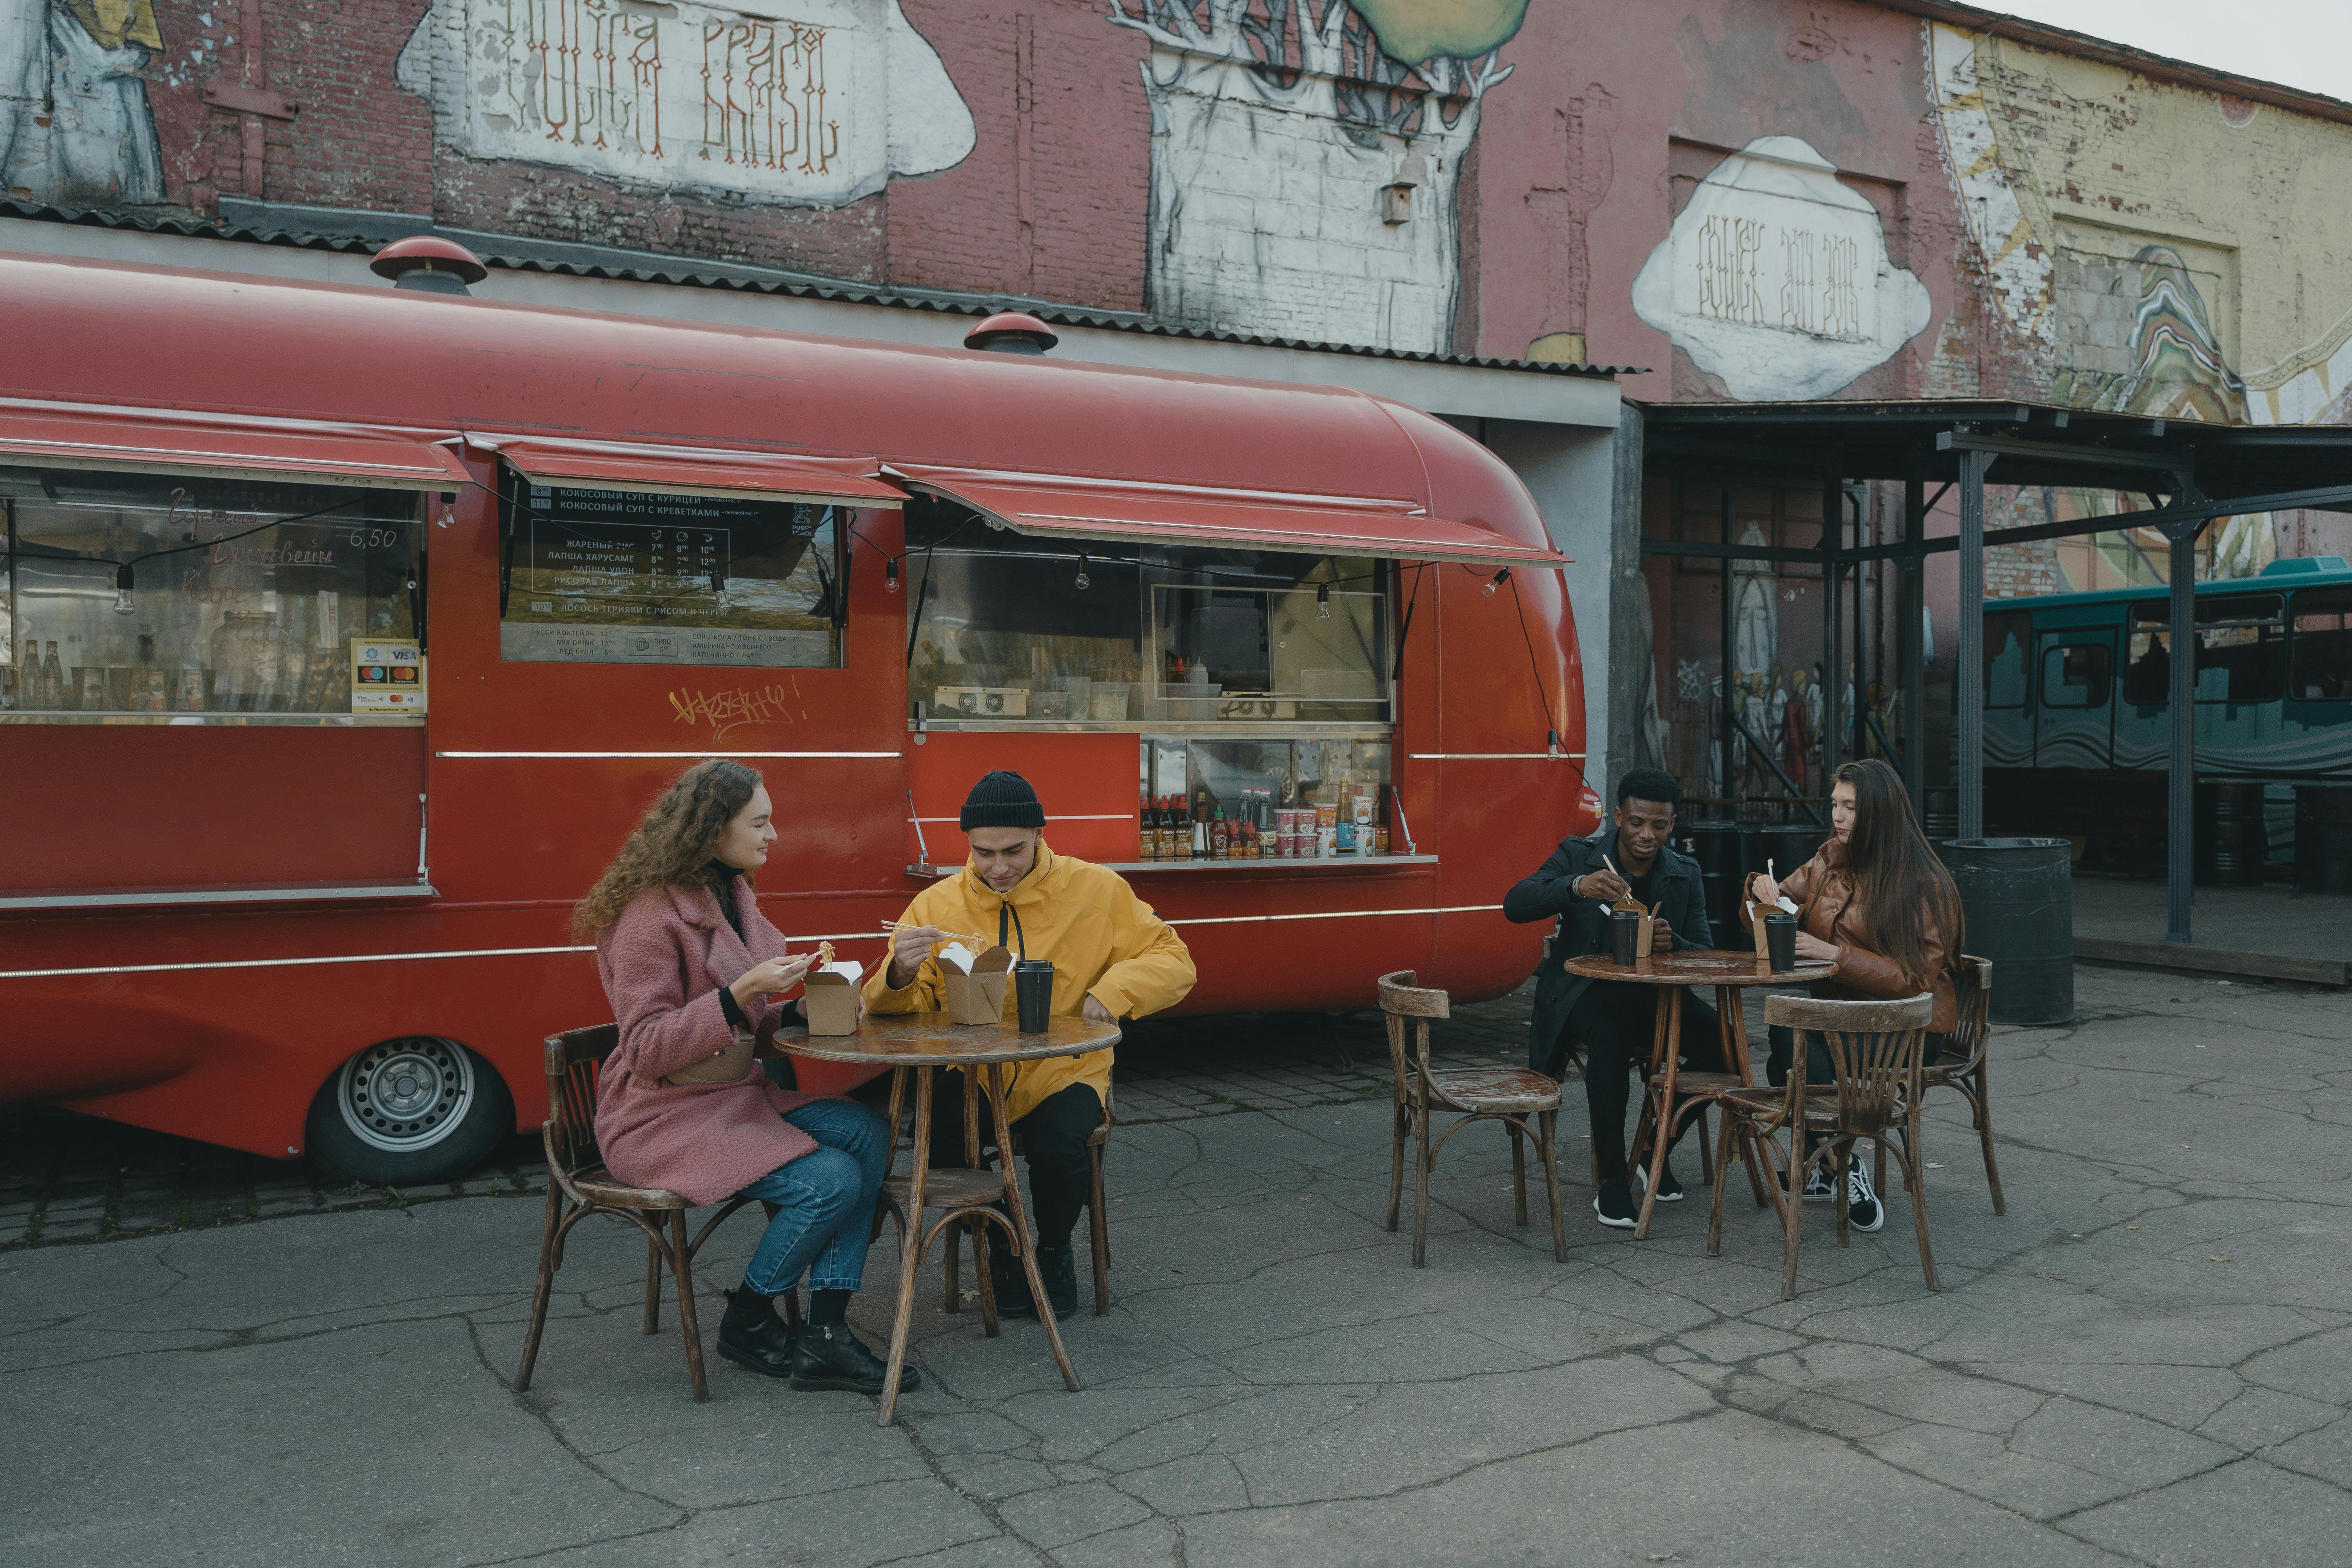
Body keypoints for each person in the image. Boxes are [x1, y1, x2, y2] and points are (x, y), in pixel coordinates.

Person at [575, 759, 912, 1396]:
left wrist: (807, 1009)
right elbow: (647, 1049)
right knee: (829, 1180)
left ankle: (824, 1336)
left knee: (866, 1131)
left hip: (728, 1099)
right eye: (759, 822)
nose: (774, 835)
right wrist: (740, 993)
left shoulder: (729, 894)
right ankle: (750, 1320)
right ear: (709, 831)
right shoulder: (650, 915)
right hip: (659, 1118)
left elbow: (748, 1022)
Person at [866, 769, 1196, 1318]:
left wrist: (1113, 991)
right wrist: (898, 975)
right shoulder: (935, 905)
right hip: (969, 1070)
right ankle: (1002, 1245)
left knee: (1060, 1145)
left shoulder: (1098, 889)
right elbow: (897, 1012)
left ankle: (1053, 1249)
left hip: (1065, 1069)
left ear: (1041, 834)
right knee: (942, 1132)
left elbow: (1174, 960)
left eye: (1013, 851)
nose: (999, 868)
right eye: (984, 853)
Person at [1504, 767, 1729, 1230]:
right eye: (1636, 823)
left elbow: (1708, 952)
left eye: (1660, 825)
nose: (1647, 835)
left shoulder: (1684, 872)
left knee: (1727, 1049)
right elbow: (1516, 902)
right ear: (1619, 817)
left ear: (1673, 823)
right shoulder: (1580, 855)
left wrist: (1677, 942)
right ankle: (1611, 1180)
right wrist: (1576, 887)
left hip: (1656, 1000)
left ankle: (1651, 1152)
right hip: (1583, 996)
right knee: (1611, 1036)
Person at [1746, 757, 1965, 1234]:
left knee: (1803, 1047)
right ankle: (1836, 1166)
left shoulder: (1923, 882)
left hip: (1906, 1025)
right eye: (1835, 805)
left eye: (1851, 807)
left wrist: (1835, 954)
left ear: (1881, 813)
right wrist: (1761, 894)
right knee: (1787, 1035)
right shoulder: (1829, 859)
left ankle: (1834, 1164)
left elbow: (1916, 979)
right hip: (1840, 1013)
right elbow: (1776, 907)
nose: (1838, 817)